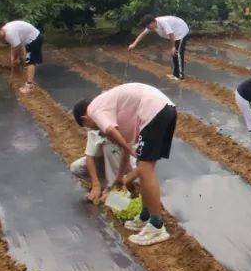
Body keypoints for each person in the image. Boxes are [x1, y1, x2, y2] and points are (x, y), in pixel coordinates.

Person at [73, 83, 177, 246]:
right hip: (164, 109)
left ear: (85, 119)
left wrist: (127, 150)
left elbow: (113, 133)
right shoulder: (118, 114)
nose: (93, 129)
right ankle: (145, 216)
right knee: (145, 167)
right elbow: (124, 151)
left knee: (145, 169)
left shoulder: (95, 109)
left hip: (154, 110)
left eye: (88, 127)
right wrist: (120, 178)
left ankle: (156, 225)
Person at [69, 128, 138, 203]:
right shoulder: (94, 128)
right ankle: (105, 187)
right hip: (109, 167)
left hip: (127, 170)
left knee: (109, 148)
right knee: (76, 167)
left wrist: (115, 187)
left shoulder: (126, 133)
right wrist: (96, 185)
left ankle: (119, 189)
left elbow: (138, 169)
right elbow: (89, 156)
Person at [129, 14, 190, 81]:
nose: (148, 28)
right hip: (174, 33)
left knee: (177, 53)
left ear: (153, 22)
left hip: (180, 31)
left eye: (148, 26)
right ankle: (175, 74)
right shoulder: (152, 25)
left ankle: (180, 76)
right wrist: (134, 44)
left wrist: (173, 47)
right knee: (173, 54)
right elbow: (142, 34)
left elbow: (171, 35)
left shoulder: (163, 22)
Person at [0, 20, 43, 93]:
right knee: (28, 60)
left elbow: (17, 46)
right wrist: (13, 57)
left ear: (0, 29)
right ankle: (26, 71)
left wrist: (14, 58)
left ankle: (29, 85)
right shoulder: (6, 30)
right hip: (32, 38)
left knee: (30, 61)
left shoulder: (9, 32)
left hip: (34, 39)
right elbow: (14, 44)